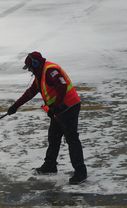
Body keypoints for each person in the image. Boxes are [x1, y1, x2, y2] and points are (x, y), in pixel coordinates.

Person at [7, 51, 87, 184]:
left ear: (36, 64)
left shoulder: (50, 71)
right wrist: (15, 106)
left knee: (71, 139)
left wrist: (56, 106)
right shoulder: (40, 75)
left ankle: (80, 172)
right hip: (59, 110)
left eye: (31, 68)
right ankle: (50, 165)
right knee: (53, 136)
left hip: (69, 107)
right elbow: (30, 93)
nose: (30, 71)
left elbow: (62, 86)